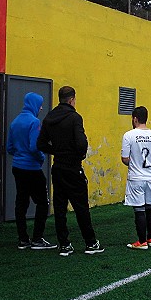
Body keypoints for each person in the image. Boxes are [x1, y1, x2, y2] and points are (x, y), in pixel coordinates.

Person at [37, 86, 104, 256]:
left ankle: (64, 244)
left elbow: (41, 144)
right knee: (81, 206)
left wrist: (57, 152)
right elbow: (81, 143)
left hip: (58, 167)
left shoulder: (48, 118)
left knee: (59, 208)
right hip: (73, 168)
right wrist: (77, 155)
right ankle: (90, 243)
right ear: (72, 99)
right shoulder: (75, 117)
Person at [7, 92, 57, 250]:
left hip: (18, 167)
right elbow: (35, 147)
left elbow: (9, 148)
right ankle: (37, 238)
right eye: (40, 104)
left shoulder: (15, 122)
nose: (41, 107)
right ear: (34, 104)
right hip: (32, 168)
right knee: (42, 202)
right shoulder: (34, 122)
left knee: (21, 202)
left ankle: (23, 239)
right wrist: (41, 158)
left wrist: (20, 156)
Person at [121, 106, 151, 250]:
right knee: (150, 208)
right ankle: (150, 238)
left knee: (139, 209)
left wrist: (135, 162)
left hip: (136, 177)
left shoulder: (129, 135)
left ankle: (141, 242)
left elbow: (125, 158)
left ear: (135, 119)